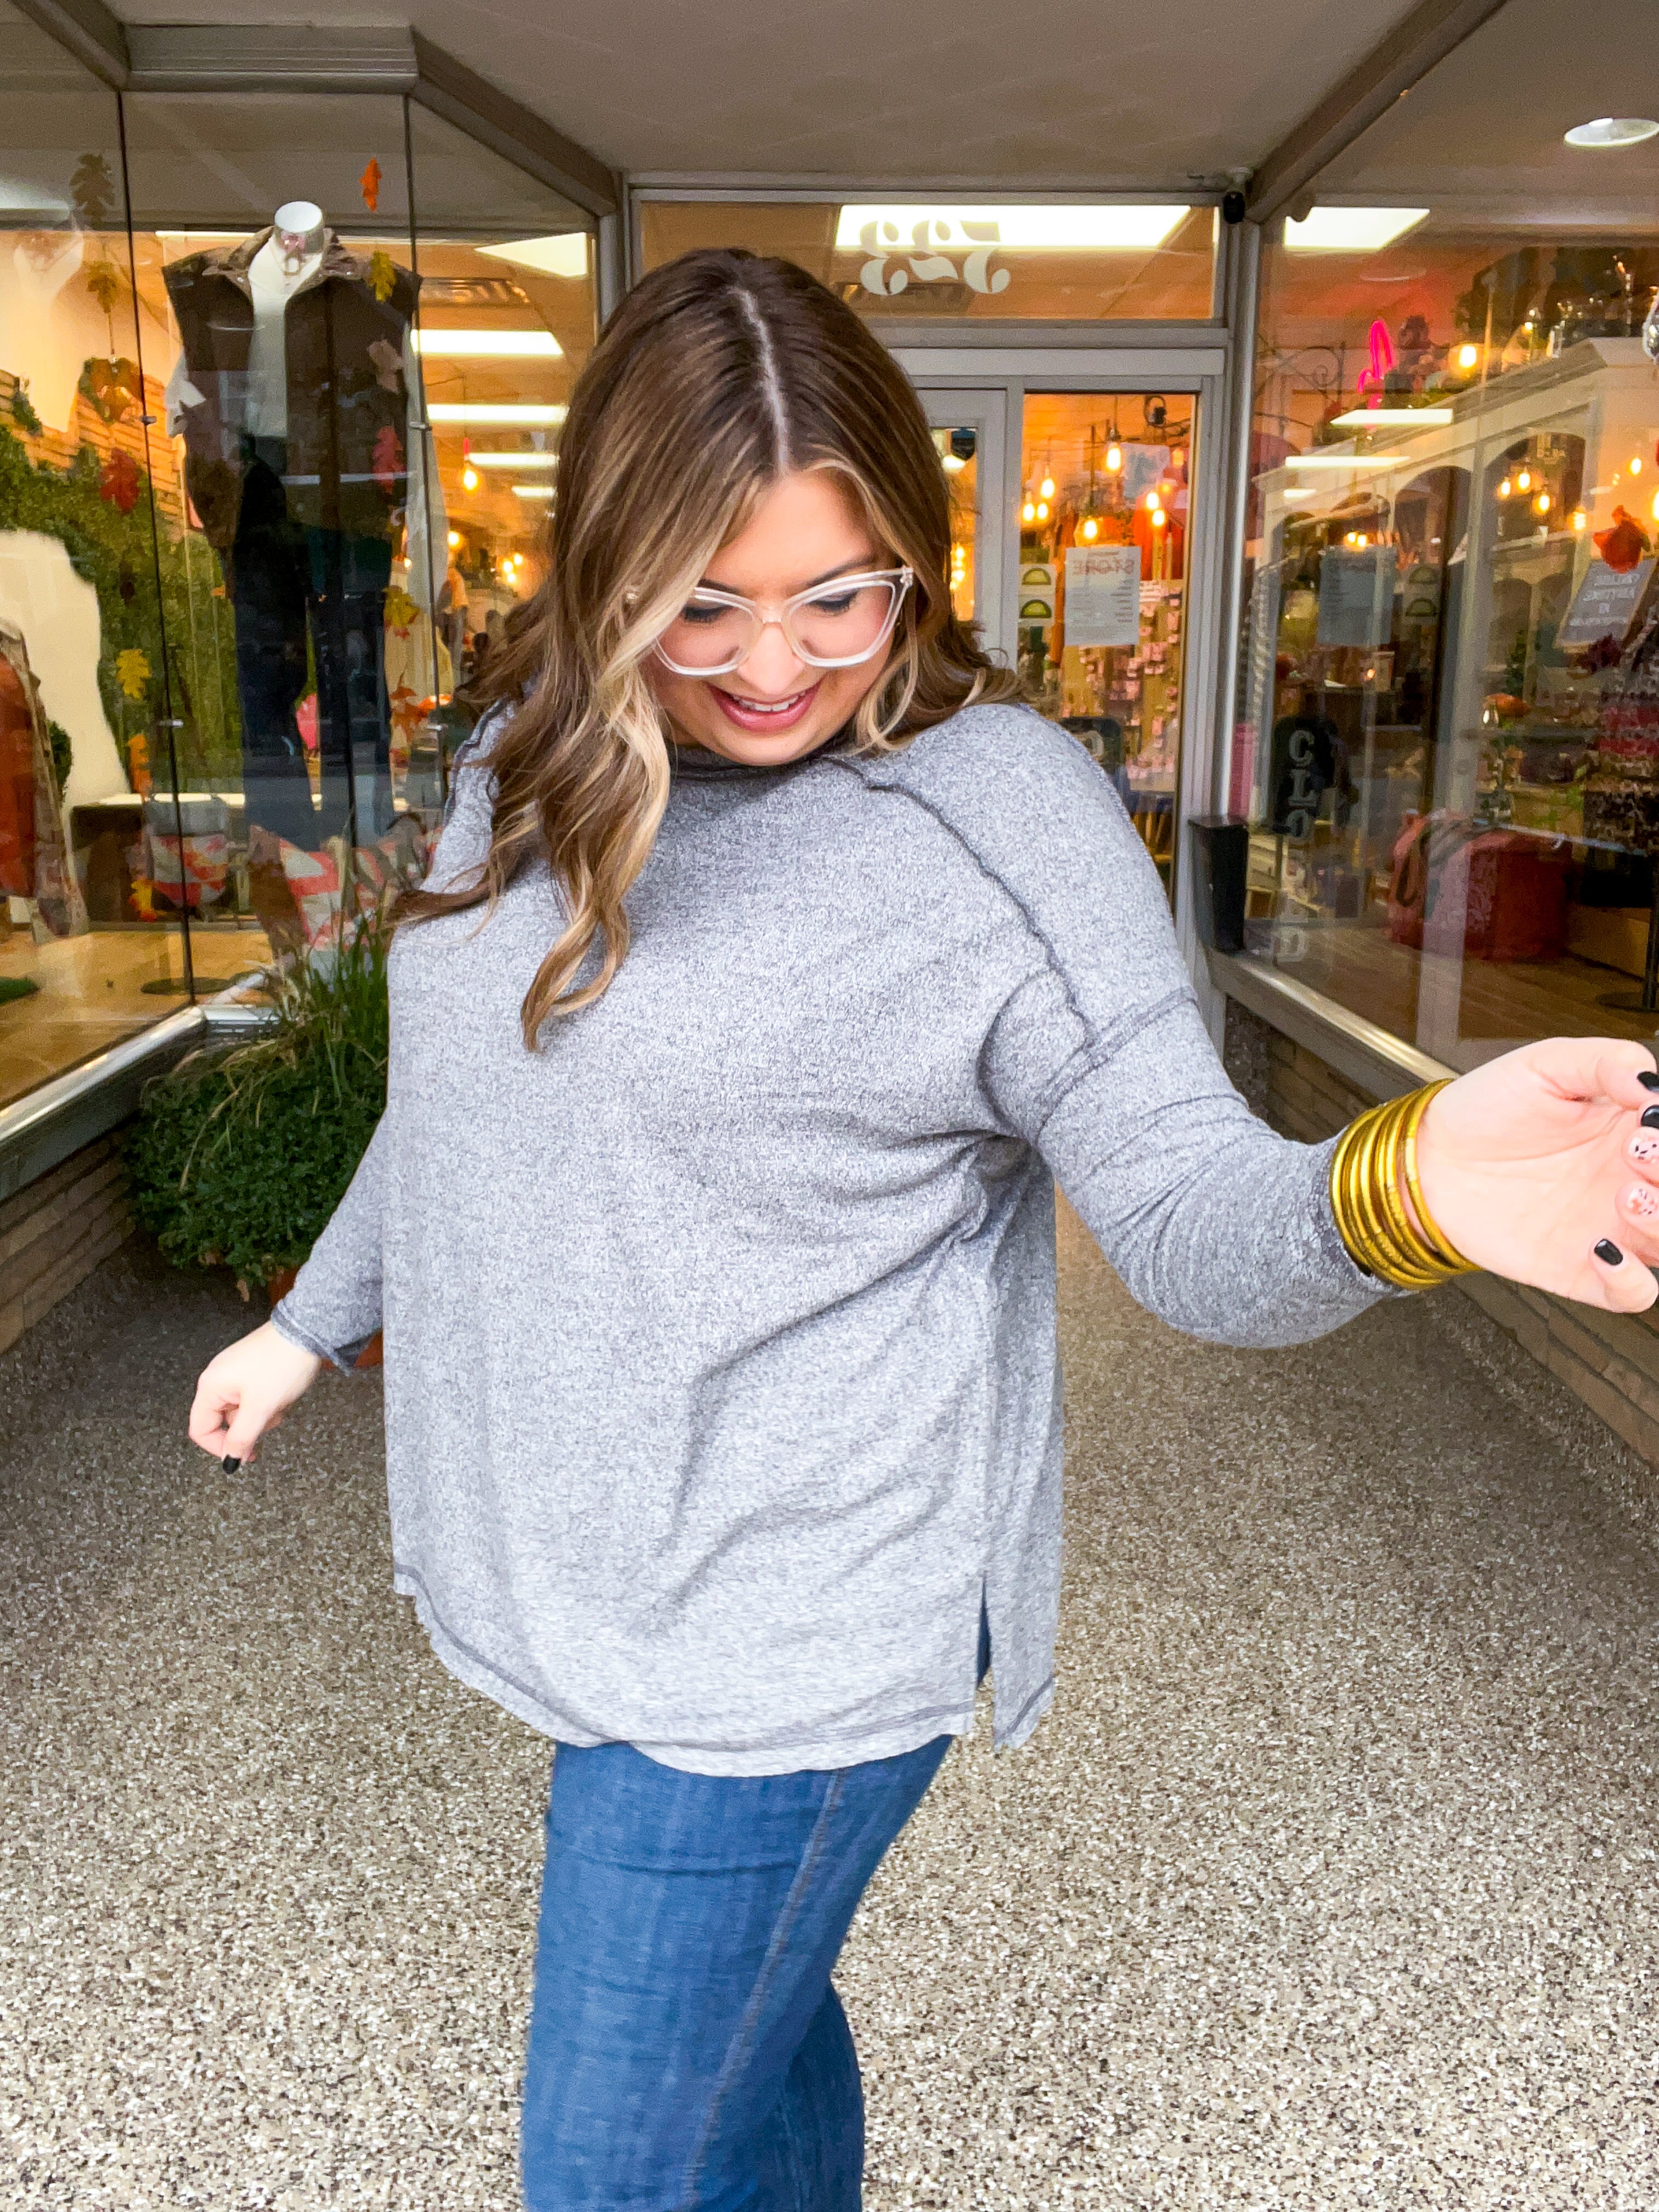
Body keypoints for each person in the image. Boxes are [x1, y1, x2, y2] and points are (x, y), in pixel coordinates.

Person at [188, 250, 1659, 2212]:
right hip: (594, 1576)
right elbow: (467, 1099)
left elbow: (1189, 1213)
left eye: (840, 593)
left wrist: (1402, 1188)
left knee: (612, 2173)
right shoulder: (531, 751)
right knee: (759, 2061)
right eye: (701, 605)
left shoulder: (998, 817)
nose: (778, 665)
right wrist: (312, 1319)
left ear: (919, 556)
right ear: (605, 571)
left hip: (788, 1639)